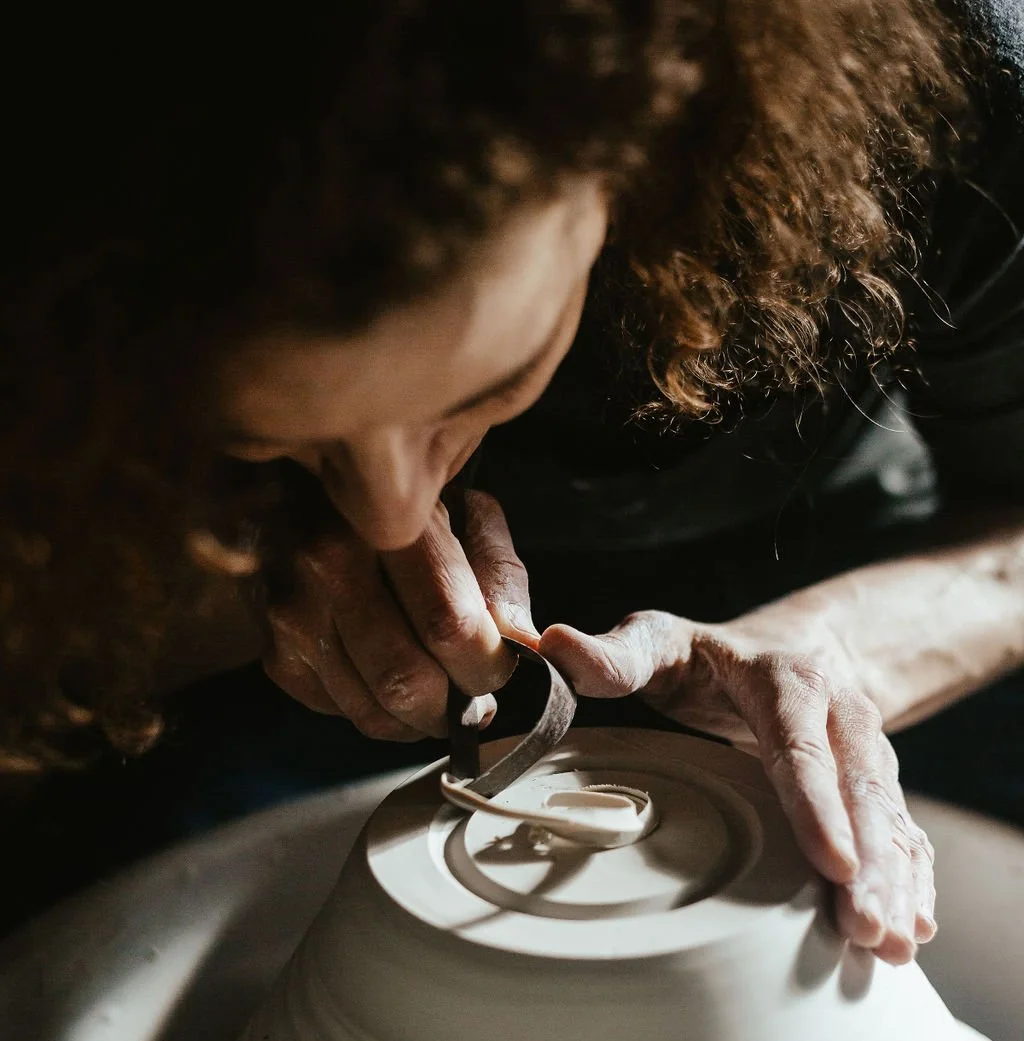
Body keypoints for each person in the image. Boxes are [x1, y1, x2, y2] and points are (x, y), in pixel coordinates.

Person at [1, 3, 1022, 965]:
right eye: (278, 436)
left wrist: (835, 652)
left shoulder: (948, 90)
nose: (397, 513)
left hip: (832, 554)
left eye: (485, 384)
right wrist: (219, 581)